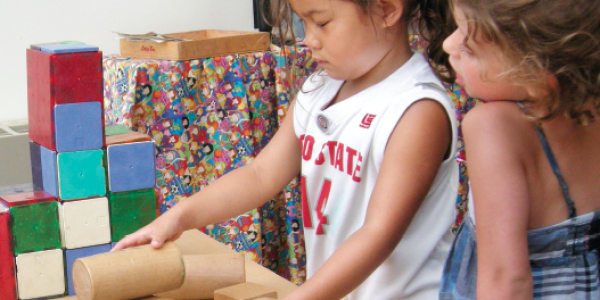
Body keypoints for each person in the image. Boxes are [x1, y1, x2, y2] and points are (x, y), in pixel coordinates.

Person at [113, 0, 459, 298]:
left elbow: (378, 233)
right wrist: (177, 219)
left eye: (322, 22)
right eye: (302, 22)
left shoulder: (416, 109)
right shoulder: (319, 88)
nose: (308, 40)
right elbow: (260, 174)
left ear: (386, 9)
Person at [439, 0, 600, 299]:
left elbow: (506, 280)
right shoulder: (590, 109)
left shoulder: (493, 128)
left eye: (471, 49)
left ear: (537, 77)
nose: (449, 45)